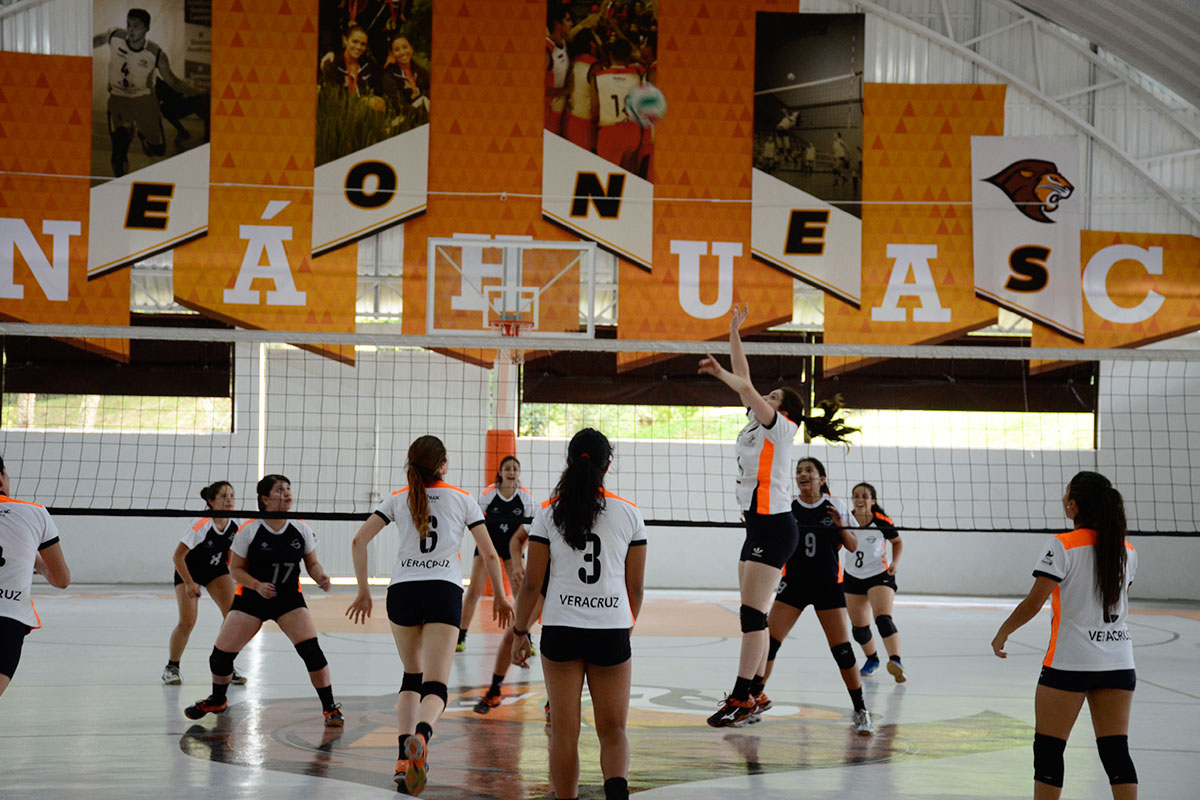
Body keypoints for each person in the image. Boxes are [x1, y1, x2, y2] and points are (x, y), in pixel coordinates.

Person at [697, 303, 857, 728]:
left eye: (772, 398)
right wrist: (734, 329)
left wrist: (719, 374)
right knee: (751, 614)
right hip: (756, 526)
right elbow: (745, 380)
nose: (762, 398)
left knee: (752, 616)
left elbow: (745, 388)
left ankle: (741, 697)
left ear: (784, 412)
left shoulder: (780, 428)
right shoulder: (754, 425)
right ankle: (755, 693)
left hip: (776, 525)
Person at [347, 436, 513, 795]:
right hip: (442, 591)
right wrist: (500, 596)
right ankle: (422, 736)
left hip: (403, 592)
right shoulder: (463, 499)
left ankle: (403, 758)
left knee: (411, 676)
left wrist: (363, 590)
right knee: (436, 685)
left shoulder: (397, 498)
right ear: (443, 465)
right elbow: (488, 552)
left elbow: (359, 541)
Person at [511, 428, 646, 800]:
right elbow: (635, 589)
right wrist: (624, 625)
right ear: (608, 466)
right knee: (614, 731)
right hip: (611, 629)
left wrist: (519, 632)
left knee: (564, 733)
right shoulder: (630, 514)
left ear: (569, 462)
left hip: (560, 631)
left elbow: (531, 585)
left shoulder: (547, 513)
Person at [992, 471, 1139, 800]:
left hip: (1069, 663)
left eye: (1066, 494)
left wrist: (1004, 631)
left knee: (1049, 750)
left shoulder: (1063, 545)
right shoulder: (1127, 549)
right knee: (1116, 751)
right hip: (1118, 660)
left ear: (1073, 505)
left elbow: (1035, 601)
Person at [183, 475, 343, 728]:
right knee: (220, 657)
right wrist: (256, 585)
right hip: (251, 599)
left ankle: (330, 708)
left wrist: (320, 576)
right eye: (280, 490)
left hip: (288, 599)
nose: (288, 494)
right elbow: (235, 569)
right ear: (265, 499)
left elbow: (311, 563)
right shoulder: (250, 529)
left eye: (289, 489)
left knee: (312, 652)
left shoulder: (301, 528)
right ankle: (218, 699)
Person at [760, 458, 873, 735]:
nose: (802, 475)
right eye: (799, 471)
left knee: (842, 650)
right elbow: (772, 539)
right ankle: (753, 701)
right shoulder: (787, 505)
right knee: (769, 645)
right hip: (794, 584)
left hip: (828, 586)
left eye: (809, 471)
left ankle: (860, 709)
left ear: (822, 478)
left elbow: (852, 545)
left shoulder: (835, 506)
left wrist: (839, 525)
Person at [460, 456, 539, 714]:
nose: (512, 472)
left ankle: (526, 636)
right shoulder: (487, 494)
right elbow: (475, 522)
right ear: (500, 472)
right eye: (507, 468)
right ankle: (461, 636)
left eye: (516, 468)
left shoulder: (526, 498)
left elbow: (527, 531)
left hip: (512, 551)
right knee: (473, 591)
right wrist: (485, 549)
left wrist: (517, 558)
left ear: (519, 472)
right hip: (487, 549)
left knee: (521, 596)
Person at [93, 8, 200, 176]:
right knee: (119, 150)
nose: (131, 30)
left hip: (145, 103)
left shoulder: (155, 53)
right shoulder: (115, 36)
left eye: (136, 26)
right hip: (119, 101)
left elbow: (173, 81)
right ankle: (121, 180)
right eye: (128, 25)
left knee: (158, 150)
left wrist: (197, 92)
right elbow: (98, 39)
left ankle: (143, 134)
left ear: (147, 28)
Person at [162, 481, 247, 686]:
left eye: (232, 496)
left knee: (232, 617)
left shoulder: (236, 521)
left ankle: (225, 665)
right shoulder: (201, 523)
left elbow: (231, 550)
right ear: (211, 501)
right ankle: (172, 667)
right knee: (188, 621)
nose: (229, 501)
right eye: (224, 497)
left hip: (216, 570)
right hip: (189, 571)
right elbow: (178, 557)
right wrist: (190, 583)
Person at [0, 457, 70, 699]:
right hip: (8, 619)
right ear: (1, 478)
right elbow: (61, 579)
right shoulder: (35, 513)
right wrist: (35, 561)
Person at [844, 482, 906, 682]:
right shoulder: (846, 520)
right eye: (856, 496)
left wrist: (894, 563)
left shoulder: (881, 521)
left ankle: (896, 662)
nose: (859, 499)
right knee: (859, 629)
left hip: (879, 574)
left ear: (873, 500)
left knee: (883, 619)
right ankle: (873, 660)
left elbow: (897, 542)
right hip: (853, 576)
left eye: (864, 496)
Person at [320, 23, 385, 112]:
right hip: (338, 117)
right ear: (345, 40)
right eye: (355, 41)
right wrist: (364, 102)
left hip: (366, 116)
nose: (358, 47)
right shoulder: (332, 65)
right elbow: (335, 99)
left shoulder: (369, 64)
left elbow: (378, 93)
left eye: (363, 44)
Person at [380, 34, 430, 116]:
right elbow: (400, 107)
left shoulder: (420, 70)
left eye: (405, 47)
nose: (402, 52)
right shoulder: (389, 78)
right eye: (397, 50)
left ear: (411, 48)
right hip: (405, 120)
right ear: (392, 53)